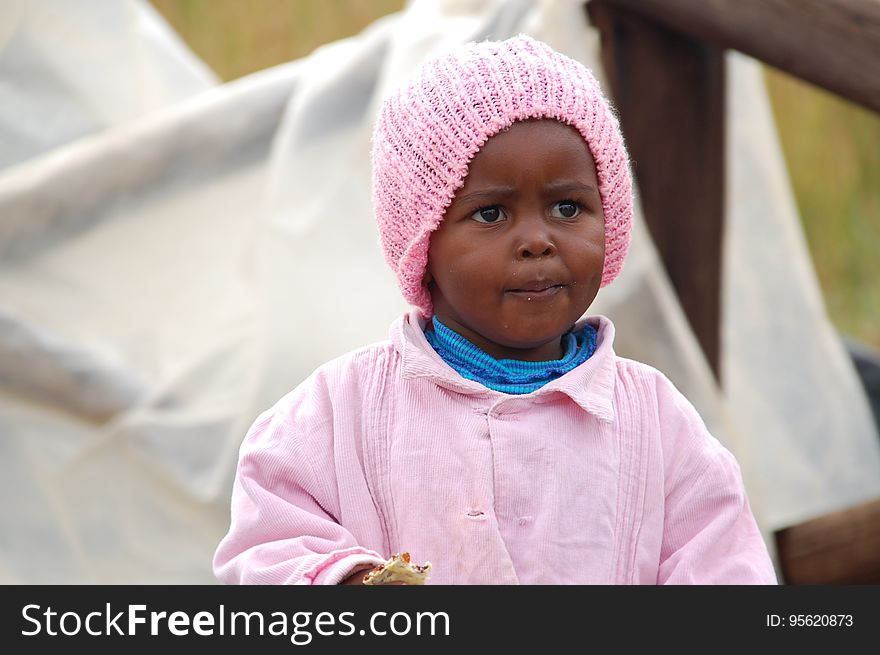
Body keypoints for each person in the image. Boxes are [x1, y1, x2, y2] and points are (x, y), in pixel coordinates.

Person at [213, 35, 778, 585]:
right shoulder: (335, 415)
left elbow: (725, 567)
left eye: (567, 206)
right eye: (490, 214)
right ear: (423, 243)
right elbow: (265, 549)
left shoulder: (660, 426)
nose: (537, 241)